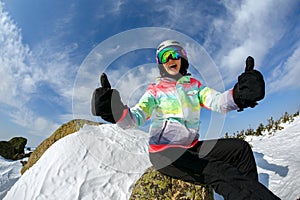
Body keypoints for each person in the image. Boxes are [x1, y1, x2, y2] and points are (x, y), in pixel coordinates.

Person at [91, 40, 280, 200]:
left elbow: (218, 102)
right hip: (166, 153)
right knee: (220, 172)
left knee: (240, 150)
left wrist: (240, 95)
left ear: (183, 59)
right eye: (164, 56)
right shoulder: (155, 90)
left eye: (174, 54)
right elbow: (136, 117)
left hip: (192, 147)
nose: (170, 59)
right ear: (160, 64)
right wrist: (114, 110)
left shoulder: (194, 86)